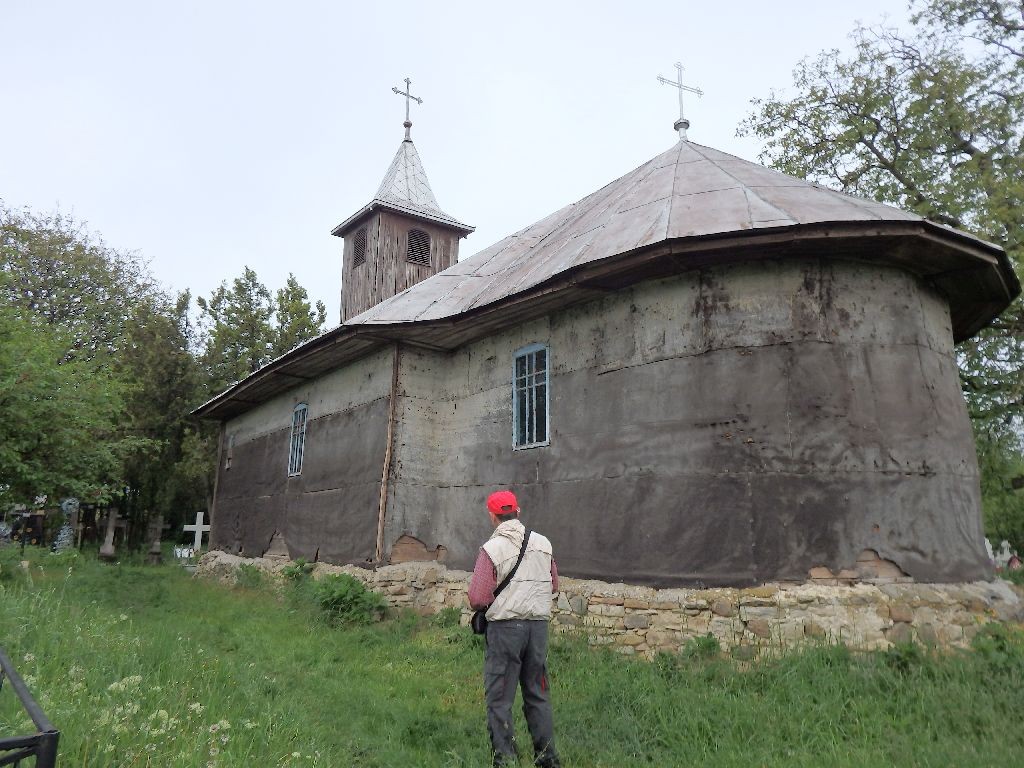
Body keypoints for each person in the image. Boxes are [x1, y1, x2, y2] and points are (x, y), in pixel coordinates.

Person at [468, 490, 562, 768]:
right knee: (538, 695)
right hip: (538, 629)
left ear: (492, 516)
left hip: (506, 630)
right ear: (517, 512)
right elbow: (554, 584)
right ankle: (547, 760)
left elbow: (478, 597)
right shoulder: (543, 544)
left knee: (500, 698)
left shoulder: (491, 549)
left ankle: (505, 761)